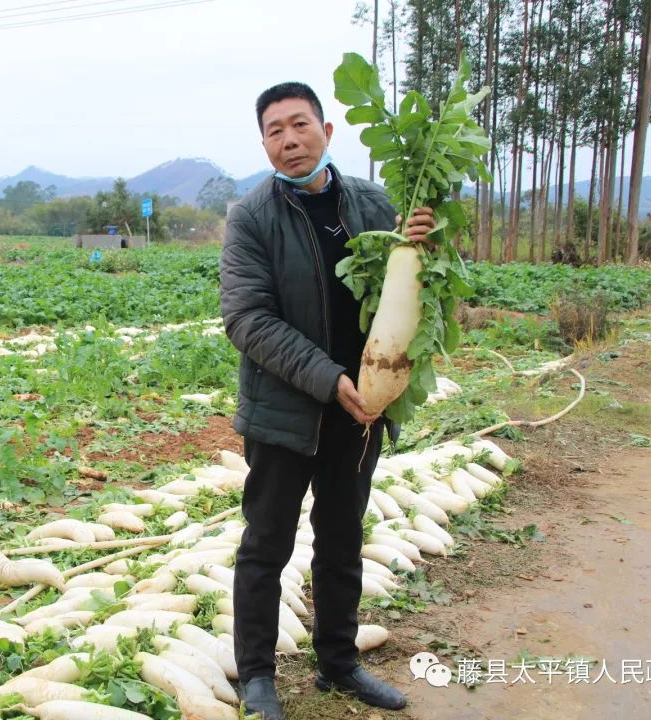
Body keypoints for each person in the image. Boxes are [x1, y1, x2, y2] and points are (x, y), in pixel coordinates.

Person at [219, 81, 436, 719]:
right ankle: (257, 675)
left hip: (360, 411)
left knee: (342, 538)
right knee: (266, 544)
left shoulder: (375, 203)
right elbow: (247, 319)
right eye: (274, 131)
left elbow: (411, 293)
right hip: (286, 414)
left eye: (299, 125)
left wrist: (426, 245)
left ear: (327, 131)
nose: (289, 140)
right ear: (263, 143)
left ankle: (339, 665)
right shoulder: (251, 217)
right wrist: (326, 378)